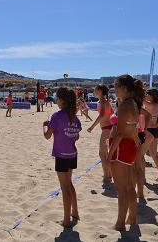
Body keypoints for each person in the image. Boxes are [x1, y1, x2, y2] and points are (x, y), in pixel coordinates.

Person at [108, 75, 144, 231]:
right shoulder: (133, 103)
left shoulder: (125, 105)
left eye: (116, 87)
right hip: (129, 146)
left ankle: (120, 223)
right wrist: (135, 138)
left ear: (123, 88)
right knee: (129, 186)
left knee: (121, 189)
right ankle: (132, 218)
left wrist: (110, 154)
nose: (114, 90)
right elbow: (134, 127)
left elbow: (120, 133)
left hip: (121, 147)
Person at [43, 87, 81, 227]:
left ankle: (66, 220)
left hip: (61, 155)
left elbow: (47, 136)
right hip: (72, 154)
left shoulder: (57, 116)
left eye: (57, 99)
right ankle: (75, 212)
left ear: (61, 100)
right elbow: (76, 136)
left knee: (64, 187)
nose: (56, 101)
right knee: (69, 183)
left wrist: (44, 126)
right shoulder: (74, 117)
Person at [87, 85, 113, 182]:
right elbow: (112, 114)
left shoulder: (102, 102)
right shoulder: (106, 102)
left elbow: (102, 116)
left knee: (102, 154)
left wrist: (92, 127)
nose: (94, 91)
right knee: (106, 153)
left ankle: (107, 175)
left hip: (106, 129)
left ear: (100, 91)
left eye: (95, 90)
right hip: (109, 128)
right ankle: (108, 174)